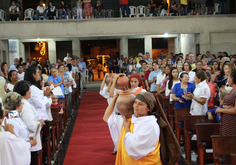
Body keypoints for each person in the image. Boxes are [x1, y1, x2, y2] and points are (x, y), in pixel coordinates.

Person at [13, 80, 45, 165]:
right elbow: (31, 126)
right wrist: (39, 122)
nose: (31, 92)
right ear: (26, 92)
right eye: (29, 90)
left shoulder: (21, 103)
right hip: (29, 139)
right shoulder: (24, 105)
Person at [215, 70, 236, 164]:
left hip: (232, 123)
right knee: (226, 145)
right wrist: (223, 107)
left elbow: (235, 110)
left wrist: (221, 110)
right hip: (226, 122)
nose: (228, 79)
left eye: (229, 77)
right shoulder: (232, 90)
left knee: (231, 146)